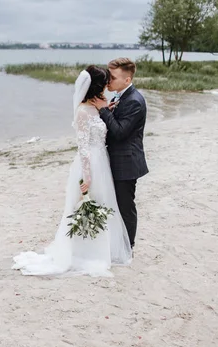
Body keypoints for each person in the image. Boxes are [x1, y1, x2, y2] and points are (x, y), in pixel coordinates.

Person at [12, 65, 132, 277]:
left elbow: (102, 127)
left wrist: (107, 109)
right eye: (105, 81)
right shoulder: (83, 112)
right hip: (90, 164)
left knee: (104, 203)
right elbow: (83, 148)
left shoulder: (97, 106)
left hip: (102, 161)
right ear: (96, 85)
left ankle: (103, 249)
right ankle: (83, 252)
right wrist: (86, 176)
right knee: (88, 202)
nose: (107, 84)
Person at [89, 58, 149, 249]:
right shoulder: (120, 97)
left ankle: (128, 247)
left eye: (112, 77)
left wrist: (104, 110)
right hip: (116, 159)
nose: (108, 81)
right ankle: (118, 243)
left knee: (125, 207)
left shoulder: (135, 101)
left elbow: (120, 132)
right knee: (115, 205)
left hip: (127, 163)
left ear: (127, 79)